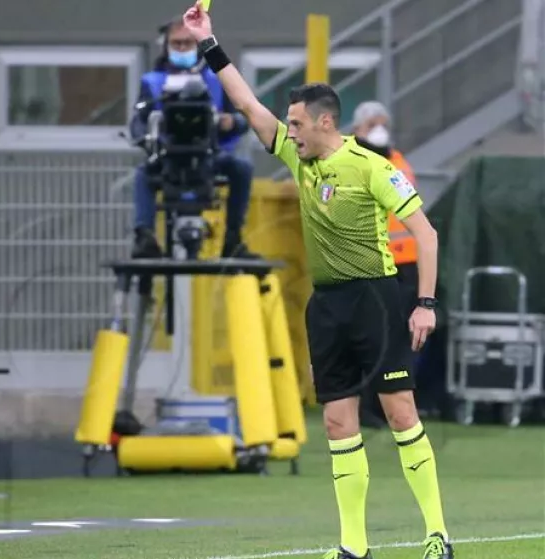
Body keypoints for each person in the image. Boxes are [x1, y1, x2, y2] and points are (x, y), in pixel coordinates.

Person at [180, 4, 452, 559]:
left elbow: (425, 235)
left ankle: (437, 535)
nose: (290, 132)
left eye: (297, 123)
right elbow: (246, 104)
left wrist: (424, 303)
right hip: (326, 306)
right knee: (335, 420)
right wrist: (209, 43)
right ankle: (355, 547)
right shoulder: (300, 160)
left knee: (401, 413)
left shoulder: (372, 167)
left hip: (375, 299)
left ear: (325, 122)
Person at [130, 17, 257, 259]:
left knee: (242, 169)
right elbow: (139, 119)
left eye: (187, 43)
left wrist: (231, 122)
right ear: (166, 45)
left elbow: (243, 117)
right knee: (142, 175)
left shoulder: (217, 78)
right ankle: (144, 237)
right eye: (176, 43)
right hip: (168, 156)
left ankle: (233, 238)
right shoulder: (152, 82)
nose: (181, 48)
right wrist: (144, 138)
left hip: (210, 155)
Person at [351, 101, 426, 426]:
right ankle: (368, 408)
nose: (378, 130)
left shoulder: (398, 161)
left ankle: (394, 407)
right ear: (357, 128)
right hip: (372, 265)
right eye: (372, 124)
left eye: (382, 123)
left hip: (405, 264)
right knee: (371, 338)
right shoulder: (349, 160)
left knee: (399, 340)